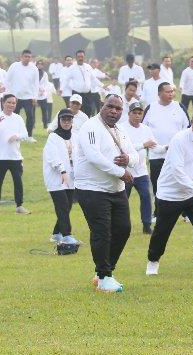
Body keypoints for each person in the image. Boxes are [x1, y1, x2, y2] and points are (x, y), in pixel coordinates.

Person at [146, 106, 193, 276]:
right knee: (162, 230)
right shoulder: (180, 139)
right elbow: (176, 171)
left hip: (191, 192)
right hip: (170, 193)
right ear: (192, 122)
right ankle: (153, 261)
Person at [74, 94, 138, 293]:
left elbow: (135, 155)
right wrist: (121, 172)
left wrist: (129, 159)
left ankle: (105, 271)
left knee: (123, 229)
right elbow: (94, 157)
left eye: (118, 109)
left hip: (115, 189)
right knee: (102, 231)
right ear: (102, 106)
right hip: (91, 188)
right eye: (110, 106)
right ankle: (103, 277)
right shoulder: (90, 127)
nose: (114, 111)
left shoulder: (120, 130)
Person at [142, 82, 189, 218]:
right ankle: (158, 212)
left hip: (178, 153)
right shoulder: (151, 108)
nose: (171, 94)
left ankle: (185, 212)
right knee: (158, 183)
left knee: (182, 181)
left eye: (172, 91)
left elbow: (187, 127)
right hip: (156, 155)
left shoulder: (179, 107)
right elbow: (143, 128)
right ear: (159, 93)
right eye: (168, 92)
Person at [121, 101, 162, 234]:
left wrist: (166, 148)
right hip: (126, 171)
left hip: (142, 171)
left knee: (146, 196)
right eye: (135, 113)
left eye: (140, 113)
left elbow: (155, 146)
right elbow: (124, 149)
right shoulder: (122, 128)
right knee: (123, 200)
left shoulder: (146, 129)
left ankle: (146, 224)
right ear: (129, 114)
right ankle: (122, 225)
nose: (137, 116)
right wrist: (143, 144)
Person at [0, 94, 30, 215]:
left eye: (13, 103)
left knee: (18, 181)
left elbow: (25, 134)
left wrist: (17, 136)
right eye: (9, 102)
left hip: (15, 156)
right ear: (3, 103)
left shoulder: (18, 118)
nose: (11, 105)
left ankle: (19, 206)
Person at [43, 109, 81, 245]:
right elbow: (52, 157)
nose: (66, 122)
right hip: (56, 178)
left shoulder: (75, 137)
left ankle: (56, 234)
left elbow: (78, 156)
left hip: (71, 178)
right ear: (59, 121)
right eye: (64, 120)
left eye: (69, 120)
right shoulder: (53, 137)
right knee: (63, 206)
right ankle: (67, 235)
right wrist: (62, 171)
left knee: (67, 206)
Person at [5, 49, 39, 142]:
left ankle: (29, 136)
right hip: (15, 97)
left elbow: (36, 84)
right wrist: (9, 95)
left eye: (29, 57)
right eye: (25, 56)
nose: (27, 59)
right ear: (21, 57)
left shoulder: (34, 68)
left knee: (30, 116)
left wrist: (35, 97)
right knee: (14, 116)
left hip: (29, 97)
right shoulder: (14, 66)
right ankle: (14, 135)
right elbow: (7, 80)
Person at [61, 50, 99, 117]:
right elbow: (66, 80)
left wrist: (102, 85)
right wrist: (61, 89)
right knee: (77, 111)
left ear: (84, 57)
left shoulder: (88, 66)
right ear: (76, 57)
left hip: (87, 93)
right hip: (77, 93)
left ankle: (87, 125)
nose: (80, 58)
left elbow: (93, 78)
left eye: (82, 56)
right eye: (79, 57)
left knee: (88, 110)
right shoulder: (72, 67)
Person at [36, 59, 55, 130]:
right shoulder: (34, 73)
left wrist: (42, 90)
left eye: (41, 64)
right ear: (36, 65)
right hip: (35, 95)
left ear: (43, 66)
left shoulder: (45, 74)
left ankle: (45, 125)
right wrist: (38, 89)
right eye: (38, 64)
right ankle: (33, 125)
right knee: (32, 111)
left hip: (43, 95)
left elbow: (46, 84)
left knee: (44, 111)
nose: (40, 65)